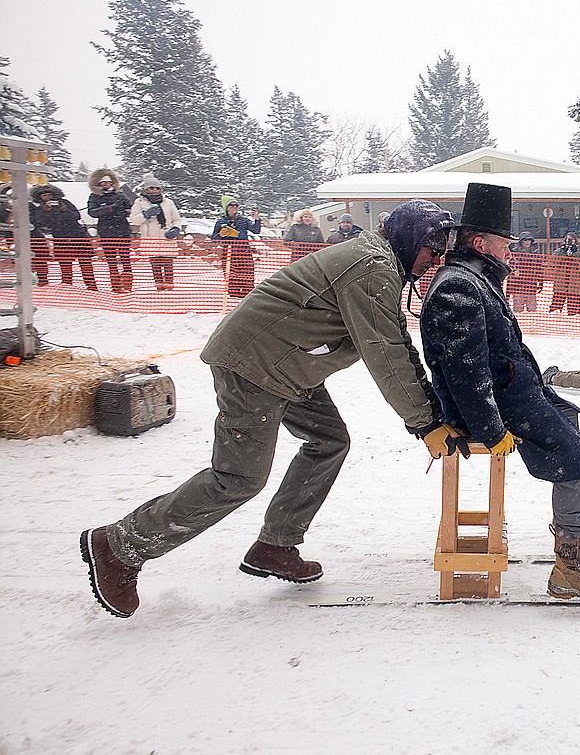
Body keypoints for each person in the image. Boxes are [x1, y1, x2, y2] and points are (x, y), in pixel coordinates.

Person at [79, 198, 467, 619]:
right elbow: (383, 353)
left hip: (288, 365)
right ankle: (121, 545)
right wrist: (424, 422)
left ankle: (276, 544)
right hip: (255, 366)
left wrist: (432, 408)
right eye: (432, 249)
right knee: (237, 478)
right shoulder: (371, 267)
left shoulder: (382, 265)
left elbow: (394, 341)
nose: (436, 259)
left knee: (329, 441)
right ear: (410, 239)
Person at [420, 182, 580, 601]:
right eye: (504, 244)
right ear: (480, 243)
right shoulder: (459, 287)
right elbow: (465, 374)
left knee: (569, 419)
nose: (511, 252)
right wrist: (490, 431)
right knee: (574, 456)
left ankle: (573, 514)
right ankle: (570, 564)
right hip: (486, 405)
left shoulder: (473, 277)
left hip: (509, 392)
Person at [30, 183, 97, 290]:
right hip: (60, 239)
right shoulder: (39, 209)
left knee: (86, 264)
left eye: (49, 194)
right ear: (39, 197)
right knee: (65, 265)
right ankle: (67, 287)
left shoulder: (65, 203)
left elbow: (76, 216)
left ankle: (92, 286)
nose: (47, 197)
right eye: (44, 196)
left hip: (78, 237)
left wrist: (65, 210)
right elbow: (40, 222)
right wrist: (46, 211)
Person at [129, 173, 183, 291]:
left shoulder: (168, 202)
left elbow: (176, 219)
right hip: (151, 239)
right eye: (151, 188)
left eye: (157, 188)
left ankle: (169, 289)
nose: (154, 190)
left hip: (166, 238)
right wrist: (146, 215)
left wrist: (176, 229)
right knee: (156, 266)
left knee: (168, 266)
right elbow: (134, 220)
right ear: (146, 189)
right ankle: (159, 288)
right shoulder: (139, 202)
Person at [86, 168, 134, 292]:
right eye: (103, 182)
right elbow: (92, 212)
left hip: (122, 230)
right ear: (98, 184)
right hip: (106, 231)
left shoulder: (120, 195)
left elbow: (130, 209)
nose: (106, 185)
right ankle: (116, 285)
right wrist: (110, 209)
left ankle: (127, 284)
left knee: (125, 258)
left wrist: (123, 211)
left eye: (108, 182)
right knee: (111, 260)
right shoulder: (95, 197)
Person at [211, 195, 262, 298]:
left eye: (236, 205)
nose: (234, 207)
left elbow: (256, 230)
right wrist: (221, 235)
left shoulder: (243, 220)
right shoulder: (221, 222)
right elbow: (214, 239)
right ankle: (233, 301)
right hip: (229, 255)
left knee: (247, 279)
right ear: (226, 207)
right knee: (232, 281)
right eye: (231, 205)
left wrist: (257, 219)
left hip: (244, 254)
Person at [549, 232, 580, 315]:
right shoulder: (560, 250)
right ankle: (555, 315)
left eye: (572, 239)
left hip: (574, 282)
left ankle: (574, 316)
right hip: (561, 281)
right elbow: (553, 261)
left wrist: (575, 252)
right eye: (568, 239)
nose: (570, 241)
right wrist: (562, 251)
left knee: (574, 303)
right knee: (557, 301)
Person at [506, 233, 543, 312]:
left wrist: (540, 282)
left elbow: (539, 269)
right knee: (518, 310)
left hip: (531, 285)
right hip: (518, 286)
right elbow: (510, 268)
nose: (527, 242)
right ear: (521, 241)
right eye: (525, 240)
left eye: (529, 240)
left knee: (532, 310)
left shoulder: (535, 254)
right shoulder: (514, 253)